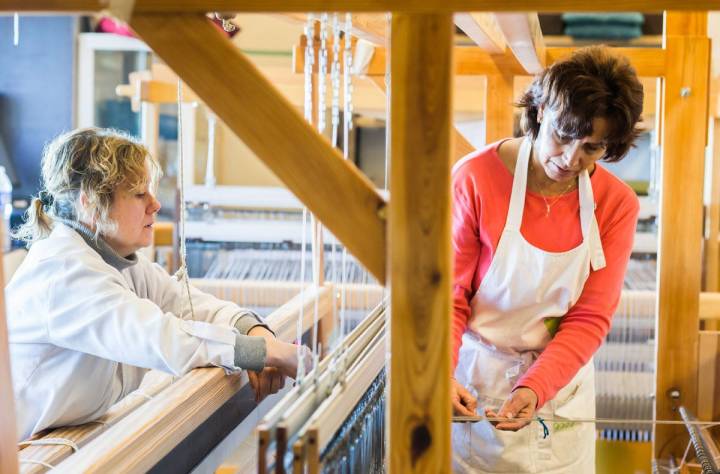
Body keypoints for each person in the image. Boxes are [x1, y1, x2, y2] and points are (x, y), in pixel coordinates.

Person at [7, 128, 308, 440]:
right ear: (91, 205)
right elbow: (162, 338)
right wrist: (272, 354)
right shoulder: (63, 273)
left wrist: (255, 331)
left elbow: (189, 306)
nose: (154, 204)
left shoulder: (116, 262)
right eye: (139, 194)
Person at [450, 46, 644, 472]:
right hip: (475, 381)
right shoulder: (476, 179)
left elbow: (590, 316)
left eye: (592, 148)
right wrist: (437, 375)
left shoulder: (616, 205)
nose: (570, 159)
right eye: (562, 135)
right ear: (539, 111)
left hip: (559, 389)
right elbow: (450, 297)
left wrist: (536, 387)